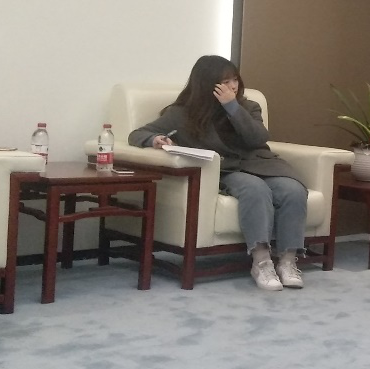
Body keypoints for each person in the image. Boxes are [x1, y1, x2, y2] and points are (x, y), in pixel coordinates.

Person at [129, 55, 308, 291]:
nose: (232, 86)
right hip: (226, 168)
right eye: (225, 82)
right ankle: (262, 262)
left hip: (259, 163)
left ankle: (287, 261)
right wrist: (155, 139)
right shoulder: (182, 113)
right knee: (255, 189)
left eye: (235, 80)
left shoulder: (248, 107)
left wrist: (232, 107)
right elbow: (137, 134)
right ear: (207, 84)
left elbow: (257, 138)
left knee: (293, 190)